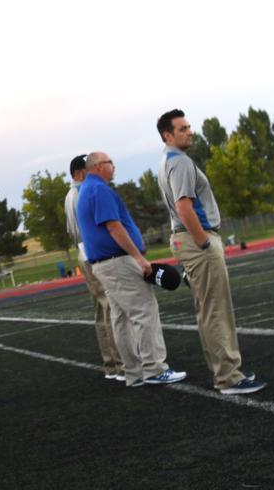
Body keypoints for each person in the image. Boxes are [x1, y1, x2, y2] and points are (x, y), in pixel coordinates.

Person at [156, 110, 266, 395]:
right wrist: (204, 242)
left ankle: (225, 372)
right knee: (217, 310)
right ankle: (229, 377)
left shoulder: (169, 161)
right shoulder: (179, 162)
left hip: (187, 240)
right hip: (197, 241)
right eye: (182, 128)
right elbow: (184, 207)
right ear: (168, 135)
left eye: (189, 126)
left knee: (209, 310)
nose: (189, 131)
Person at [76, 152, 186, 388]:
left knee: (121, 318)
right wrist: (138, 258)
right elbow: (114, 227)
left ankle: (134, 372)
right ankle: (154, 368)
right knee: (144, 310)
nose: (113, 166)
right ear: (97, 166)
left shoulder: (86, 190)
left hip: (105, 264)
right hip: (118, 261)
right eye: (109, 163)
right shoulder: (100, 190)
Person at [63, 154, 124, 381]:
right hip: (92, 252)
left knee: (100, 310)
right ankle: (120, 364)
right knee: (110, 307)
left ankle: (110, 363)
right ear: (79, 173)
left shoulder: (70, 195)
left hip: (82, 252)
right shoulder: (82, 193)